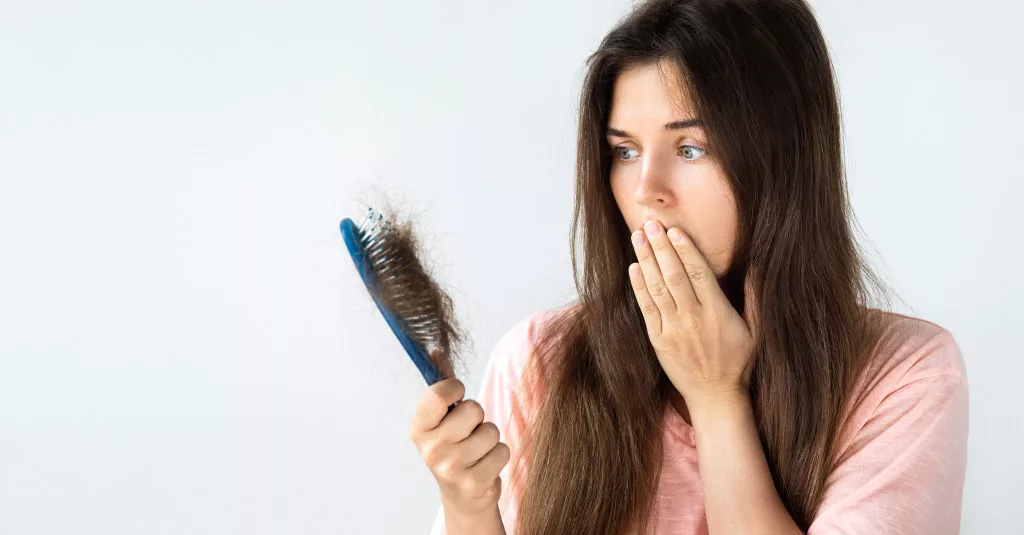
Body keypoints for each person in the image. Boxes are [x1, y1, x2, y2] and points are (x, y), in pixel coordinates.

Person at [408, 0, 969, 533]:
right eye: (624, 152)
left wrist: (717, 398)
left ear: (783, 163)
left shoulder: (906, 376)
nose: (646, 190)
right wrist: (469, 505)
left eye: (690, 149)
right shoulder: (538, 361)